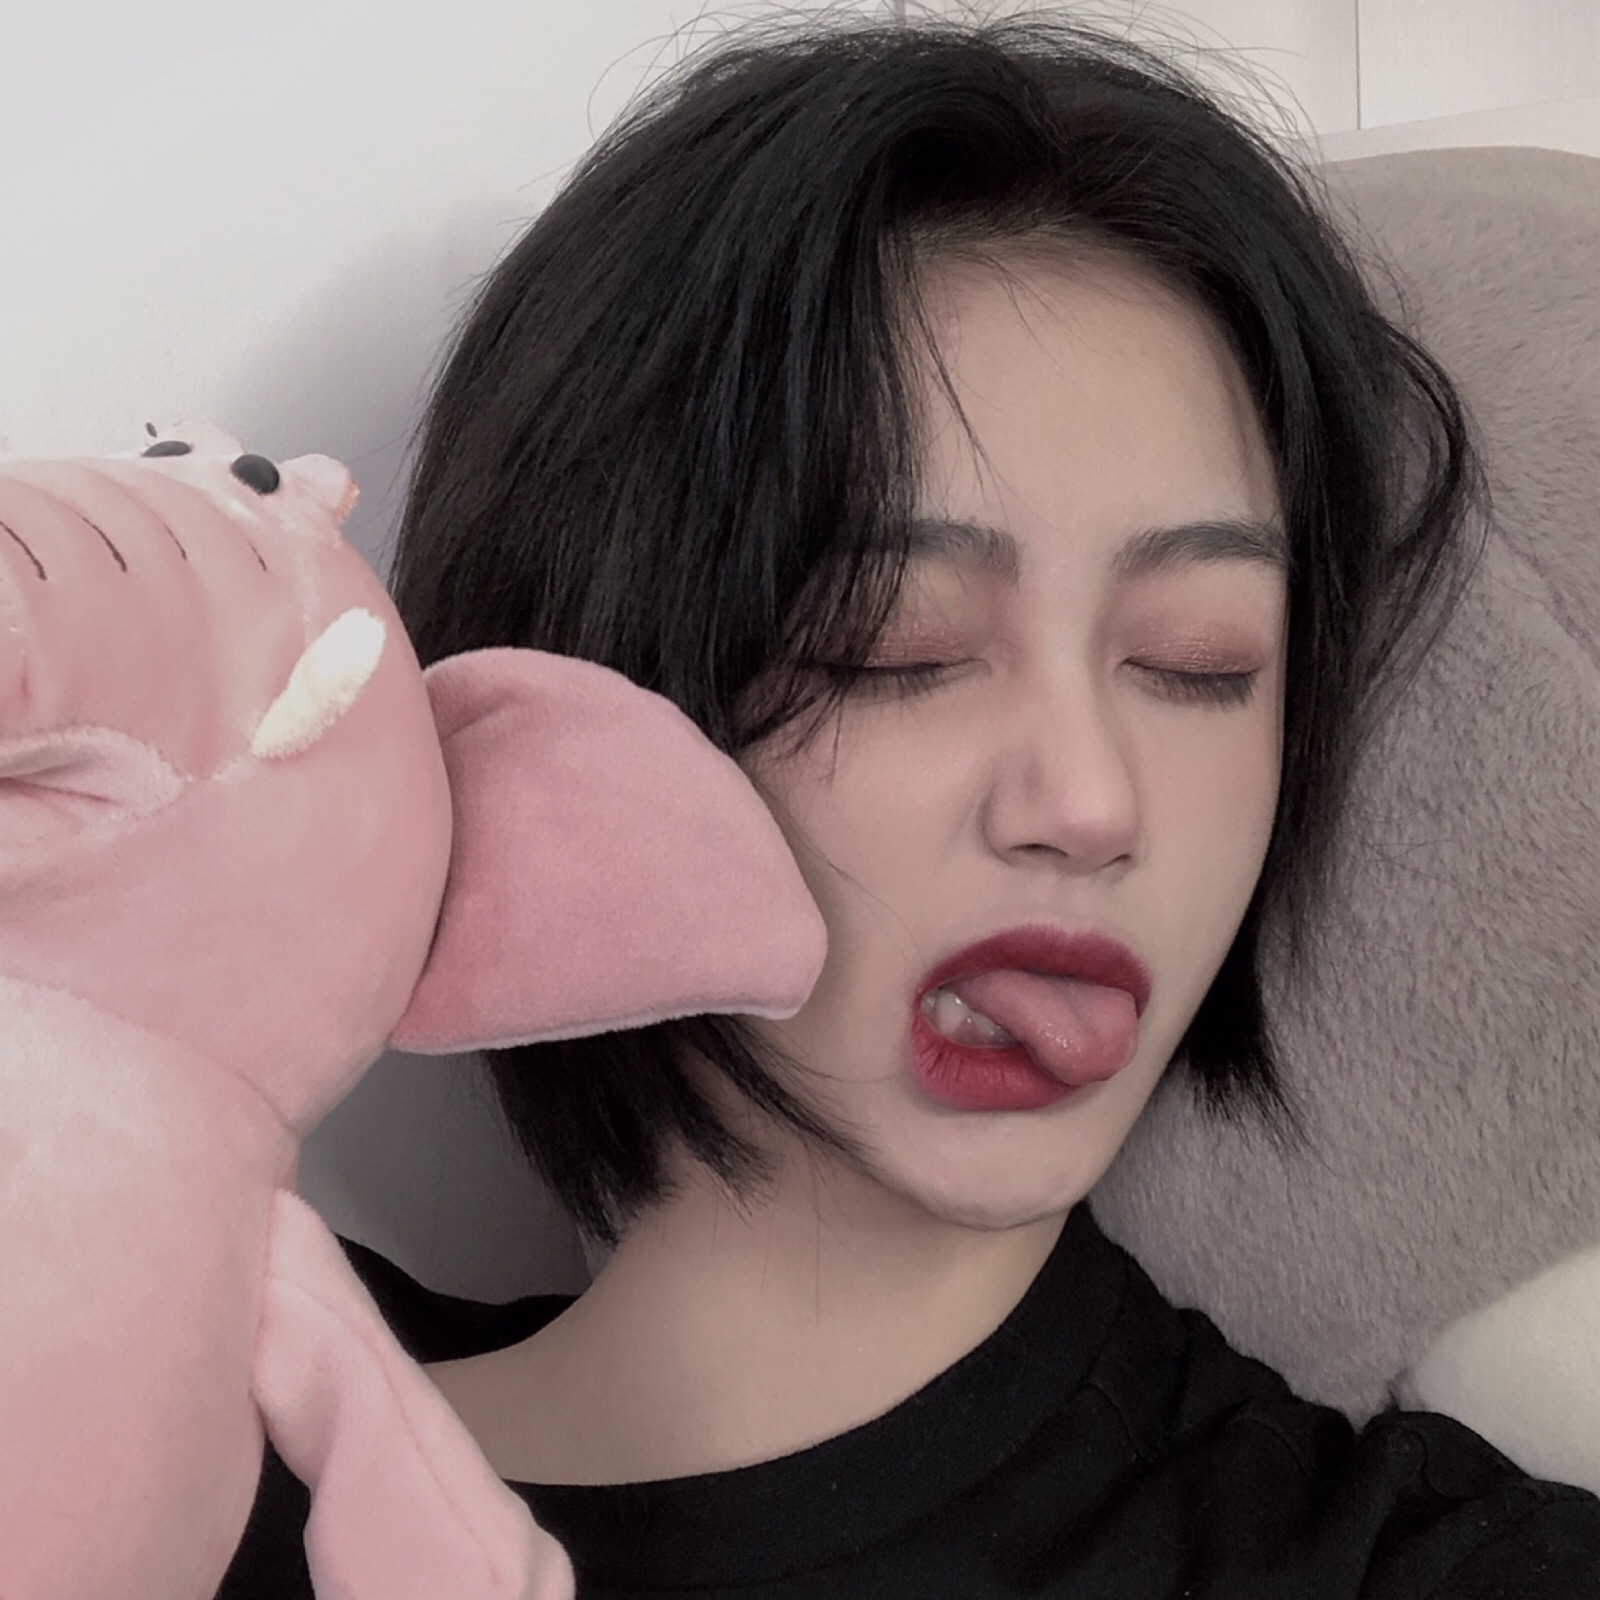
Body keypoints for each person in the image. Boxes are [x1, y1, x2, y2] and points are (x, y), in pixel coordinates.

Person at [218, 11, 1600, 1597]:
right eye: (896, 645)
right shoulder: (127, 1434)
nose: (1089, 801)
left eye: (1199, 662)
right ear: (576, 693)